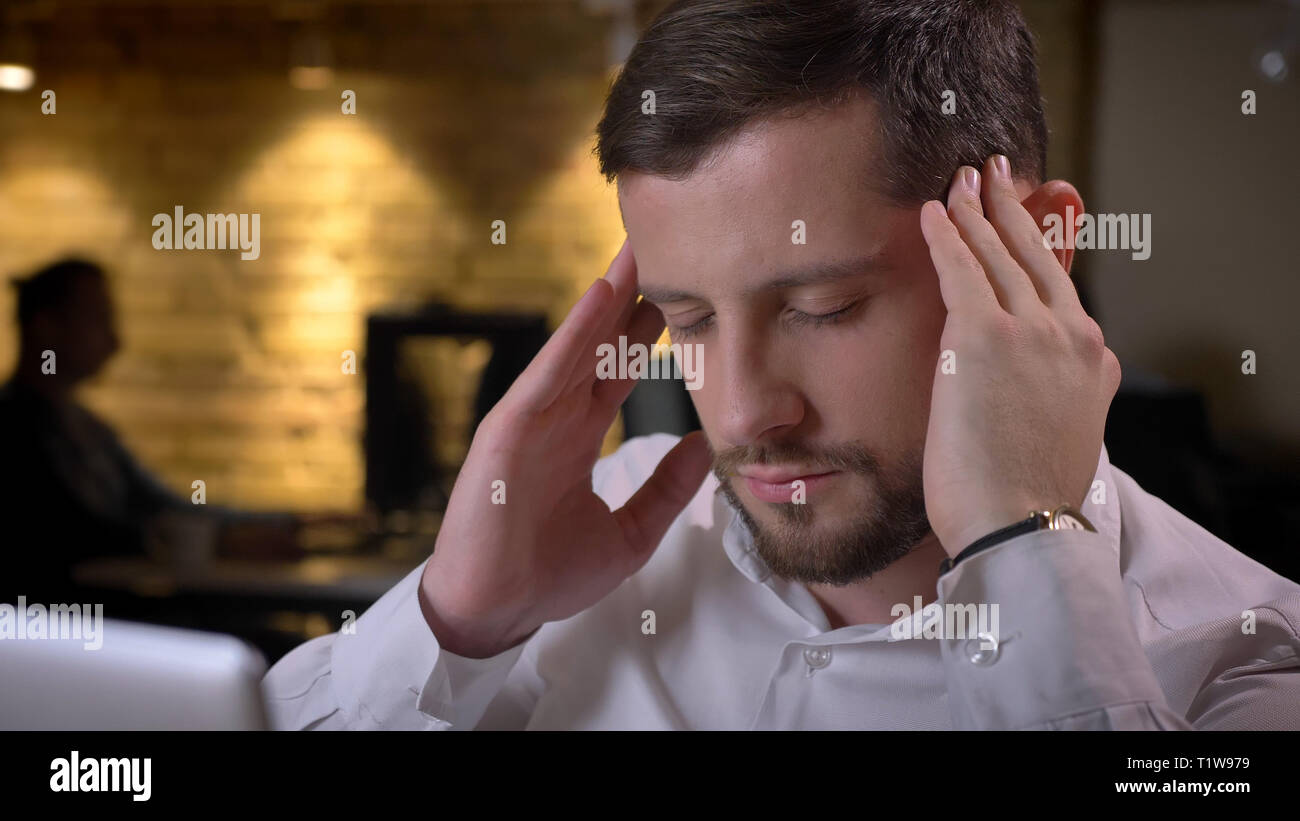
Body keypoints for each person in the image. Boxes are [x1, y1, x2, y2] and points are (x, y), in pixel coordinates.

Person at [264, 0, 1300, 730]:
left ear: (1037, 249)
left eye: (823, 306)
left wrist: (1023, 547)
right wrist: (461, 621)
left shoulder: (1246, 655)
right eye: (689, 319)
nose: (746, 412)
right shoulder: (584, 533)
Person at [0, 258, 303, 604]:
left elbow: (163, 505)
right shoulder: (13, 431)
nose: (115, 342)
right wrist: (215, 539)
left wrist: (288, 521)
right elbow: (69, 533)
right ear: (46, 327)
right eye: (99, 319)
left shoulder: (90, 431)